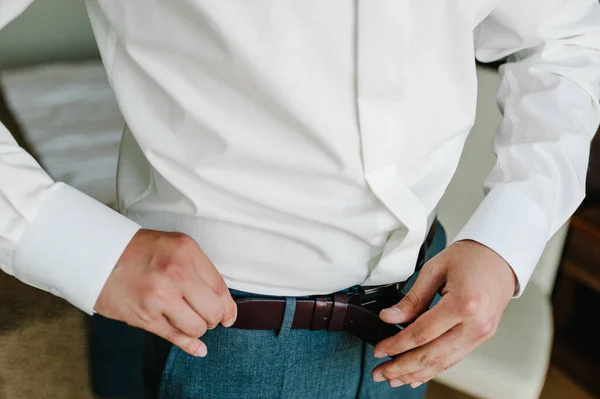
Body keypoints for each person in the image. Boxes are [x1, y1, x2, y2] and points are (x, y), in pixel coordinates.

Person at [1, 1, 599, 398]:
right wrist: (68, 241)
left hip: (419, 305)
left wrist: (507, 237)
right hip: (230, 335)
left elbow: (564, 37)